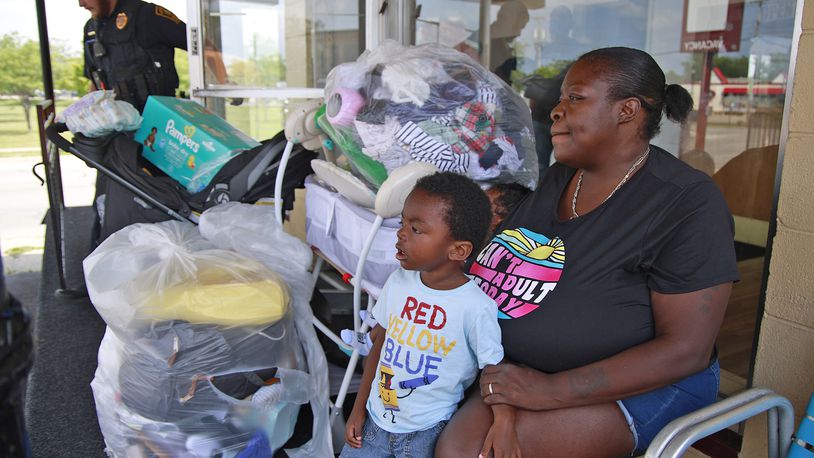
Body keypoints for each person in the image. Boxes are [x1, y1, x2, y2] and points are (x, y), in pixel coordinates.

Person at [435, 47, 740, 457]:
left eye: (575, 98)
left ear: (627, 110)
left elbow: (686, 350)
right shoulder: (563, 177)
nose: (555, 111)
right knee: (452, 446)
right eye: (561, 98)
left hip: (643, 387)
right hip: (526, 373)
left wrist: (551, 389)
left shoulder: (686, 202)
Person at [341, 172, 504, 458]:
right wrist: (358, 408)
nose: (401, 233)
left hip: (427, 435)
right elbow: (379, 346)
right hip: (374, 425)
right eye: (403, 222)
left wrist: (504, 423)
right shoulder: (398, 282)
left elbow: (493, 372)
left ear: (458, 250)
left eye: (416, 229)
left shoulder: (476, 308)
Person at [80, 0, 232, 112]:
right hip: (119, 122)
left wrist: (225, 83)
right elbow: (94, 78)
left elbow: (204, 46)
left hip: (159, 119)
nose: (81, 4)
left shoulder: (148, 15)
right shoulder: (91, 29)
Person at [489, 0, 530, 84]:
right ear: (509, 19)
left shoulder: (498, 42)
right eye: (520, 27)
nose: (519, 34)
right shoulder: (484, 42)